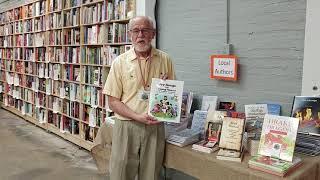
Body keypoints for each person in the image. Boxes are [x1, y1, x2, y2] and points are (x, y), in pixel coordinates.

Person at [102, 16, 176, 180]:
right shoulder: (119, 62)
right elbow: (113, 102)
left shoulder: (165, 59)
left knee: (151, 174)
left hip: (155, 127)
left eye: (145, 30)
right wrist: (137, 116)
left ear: (153, 34)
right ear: (130, 34)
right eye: (136, 30)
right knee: (121, 173)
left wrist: (166, 89)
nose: (140, 35)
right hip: (127, 126)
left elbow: (171, 96)